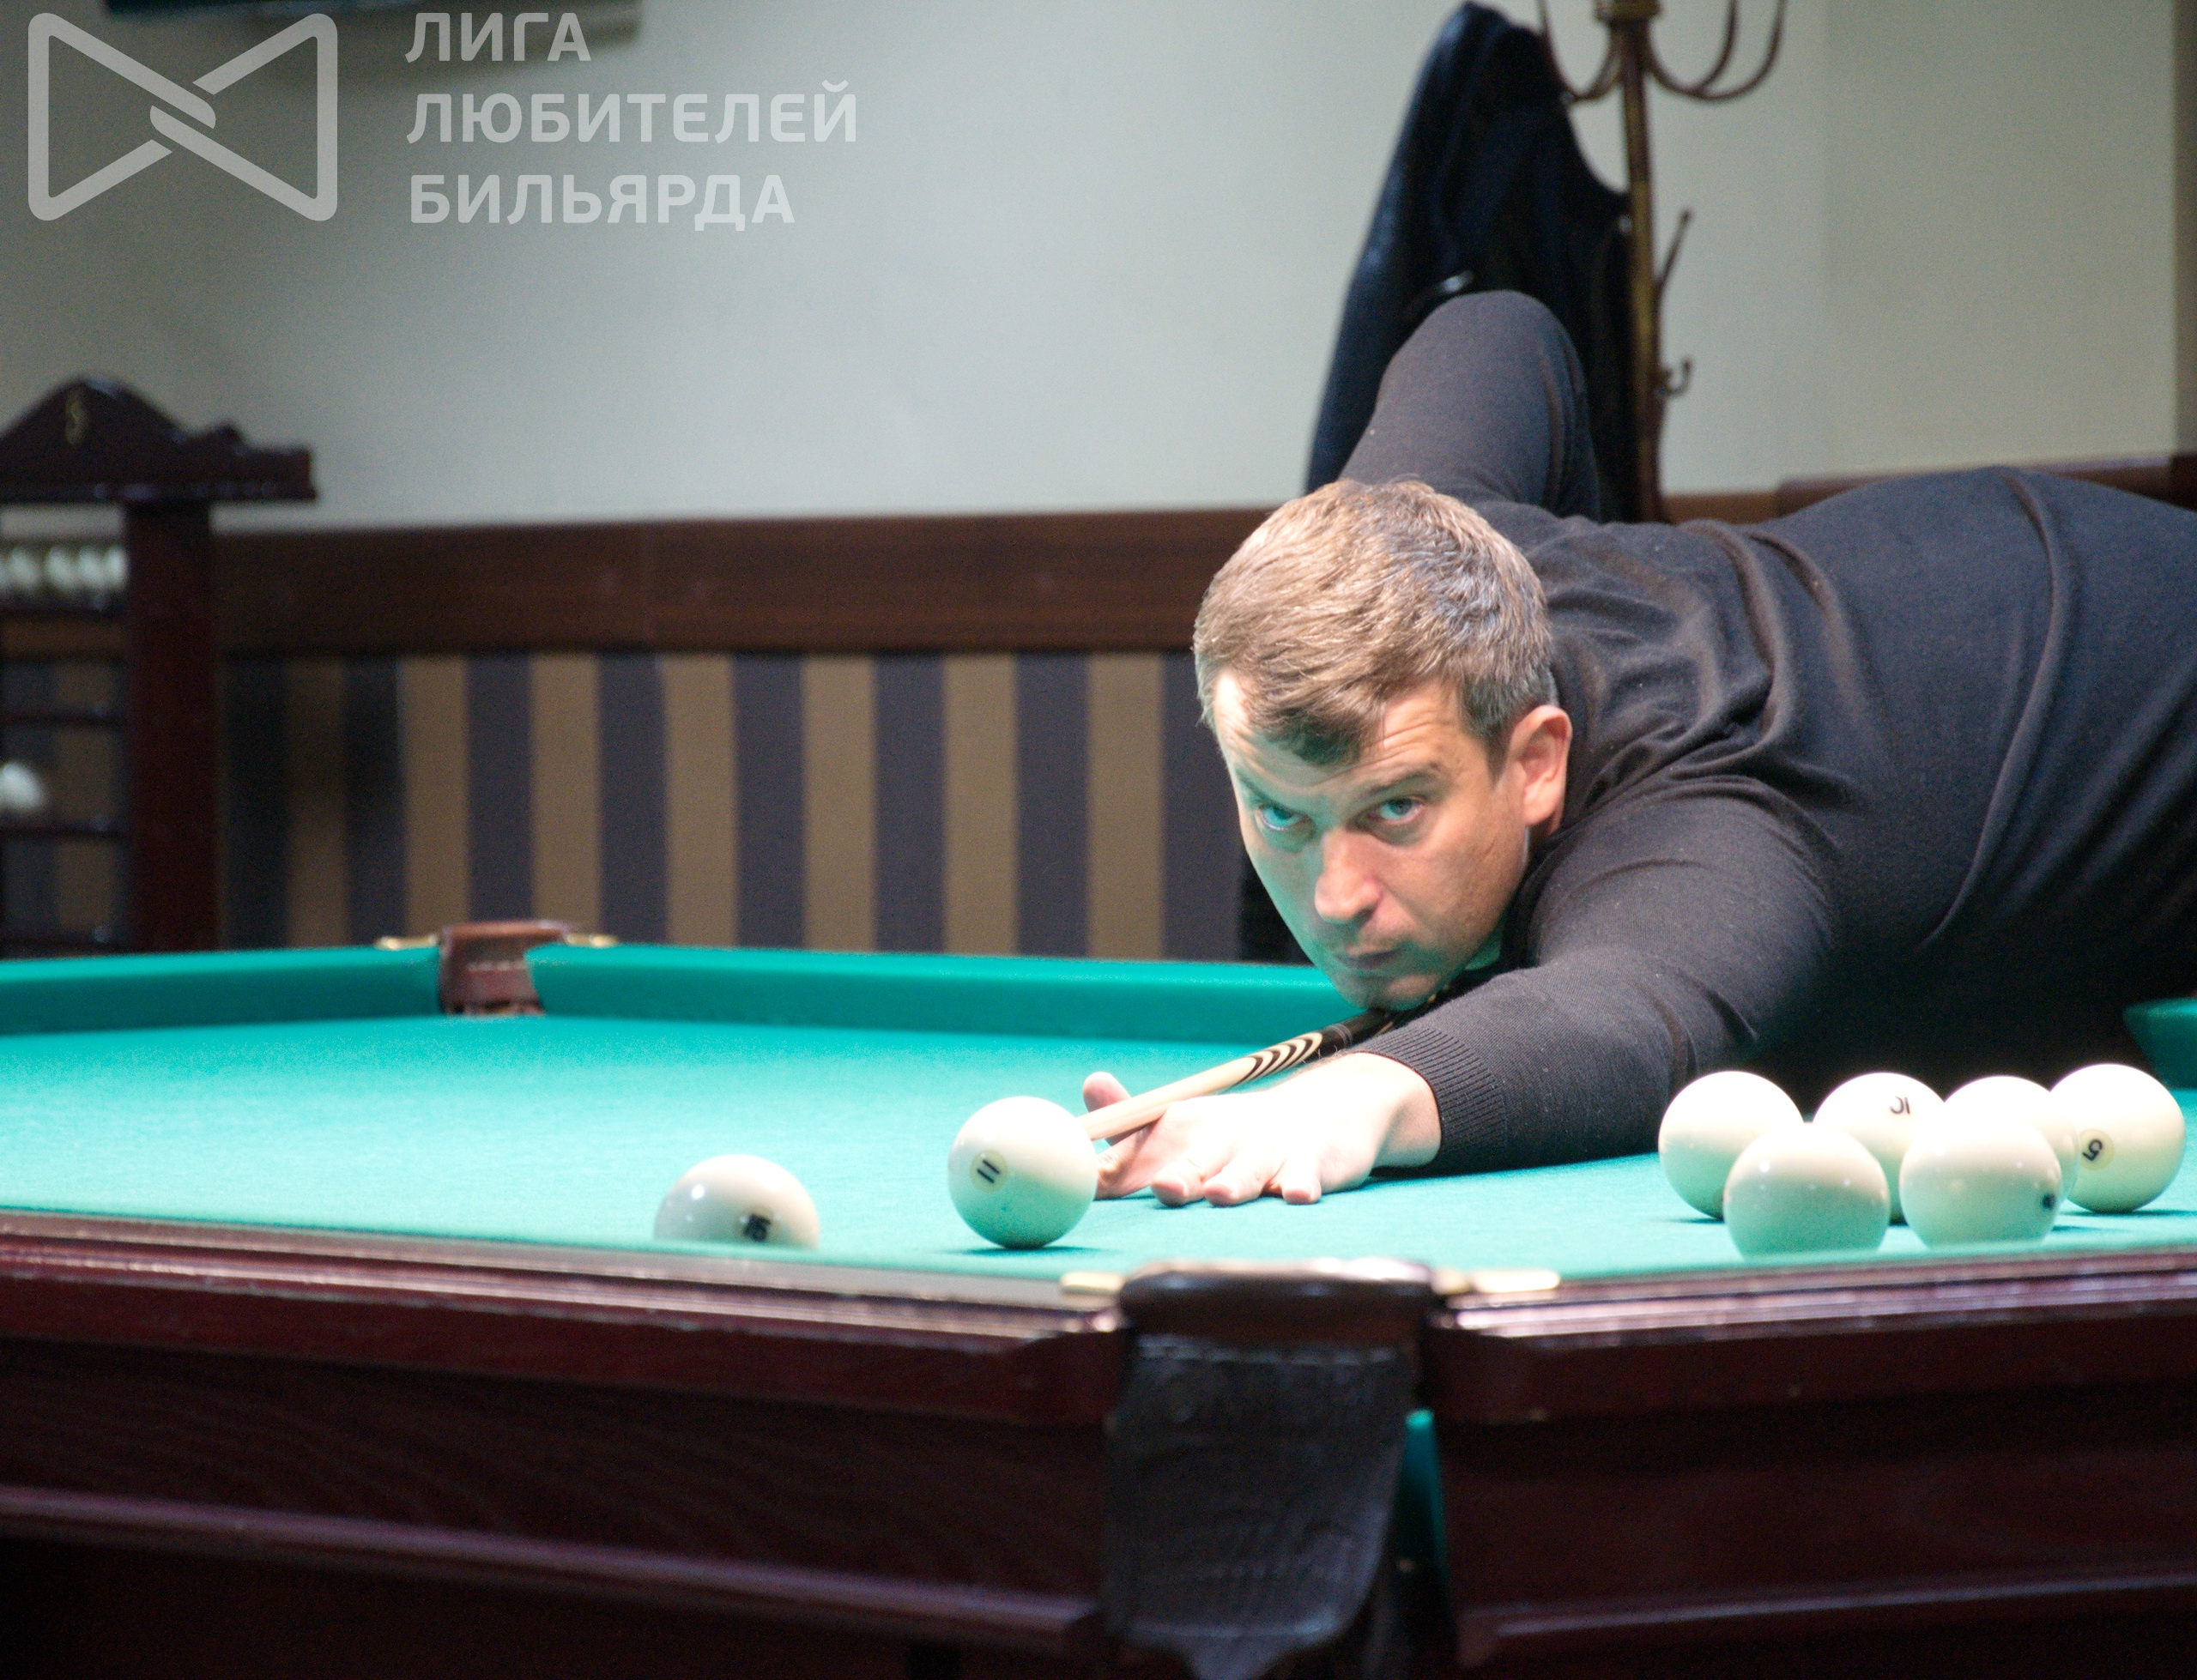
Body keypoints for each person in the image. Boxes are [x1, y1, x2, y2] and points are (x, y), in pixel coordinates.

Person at [1088, 291, 2197, 1210]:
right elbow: (1495, 326)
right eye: (1281, 812)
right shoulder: (1432, 544)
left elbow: (1623, 1018)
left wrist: (1359, 1094)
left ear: (1537, 761)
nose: (1336, 899)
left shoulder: (1704, 831)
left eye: (1396, 809)